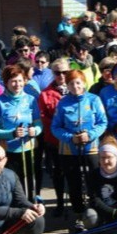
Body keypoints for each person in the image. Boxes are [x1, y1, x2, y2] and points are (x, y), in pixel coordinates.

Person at [51, 70, 107, 232]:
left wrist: (90, 134)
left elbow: (103, 122)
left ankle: (96, 212)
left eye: (78, 83)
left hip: (91, 148)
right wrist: (70, 137)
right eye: (71, 83)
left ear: (84, 83)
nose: (75, 86)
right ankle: (79, 215)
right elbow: (55, 127)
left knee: (93, 182)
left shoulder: (94, 99)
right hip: (69, 150)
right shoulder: (63, 102)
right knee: (74, 183)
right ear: (67, 85)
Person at [0, 64, 43, 200]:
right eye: (13, 81)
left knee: (31, 182)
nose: (17, 84)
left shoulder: (31, 100)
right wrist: (12, 133)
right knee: (12, 184)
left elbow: (38, 124)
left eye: (20, 80)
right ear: (6, 83)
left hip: (29, 148)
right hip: (8, 151)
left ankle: (32, 205)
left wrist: (34, 130)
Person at [38, 59, 71, 216]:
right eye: (58, 73)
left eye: (65, 72)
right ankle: (59, 203)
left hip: (73, 140)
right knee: (58, 174)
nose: (62, 76)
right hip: (55, 140)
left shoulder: (76, 88)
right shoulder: (45, 94)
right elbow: (44, 117)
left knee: (74, 173)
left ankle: (77, 204)